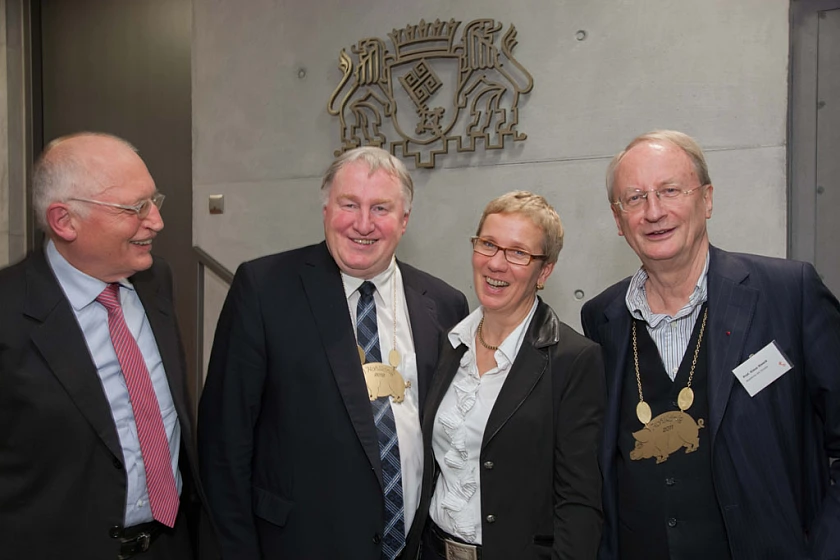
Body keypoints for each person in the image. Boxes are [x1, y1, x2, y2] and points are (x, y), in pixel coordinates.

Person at [198, 146, 469, 560]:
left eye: (381, 207)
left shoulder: (445, 305)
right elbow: (224, 443)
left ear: (404, 220)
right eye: (349, 204)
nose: (363, 223)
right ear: (326, 209)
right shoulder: (264, 289)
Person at [581, 130, 840, 560]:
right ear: (617, 219)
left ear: (707, 199)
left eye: (669, 190)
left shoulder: (787, 293)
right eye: (635, 198)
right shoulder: (602, 318)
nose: (654, 211)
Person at [0, 132, 216, 559]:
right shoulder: (8, 311)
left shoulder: (156, 281)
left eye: (154, 201)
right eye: (136, 208)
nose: (156, 221)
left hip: (171, 545)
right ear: (64, 221)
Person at [404, 191, 605, 560]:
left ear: (544, 270)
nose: (496, 264)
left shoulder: (573, 360)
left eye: (518, 253)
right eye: (488, 244)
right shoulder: (449, 343)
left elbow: (579, 501)